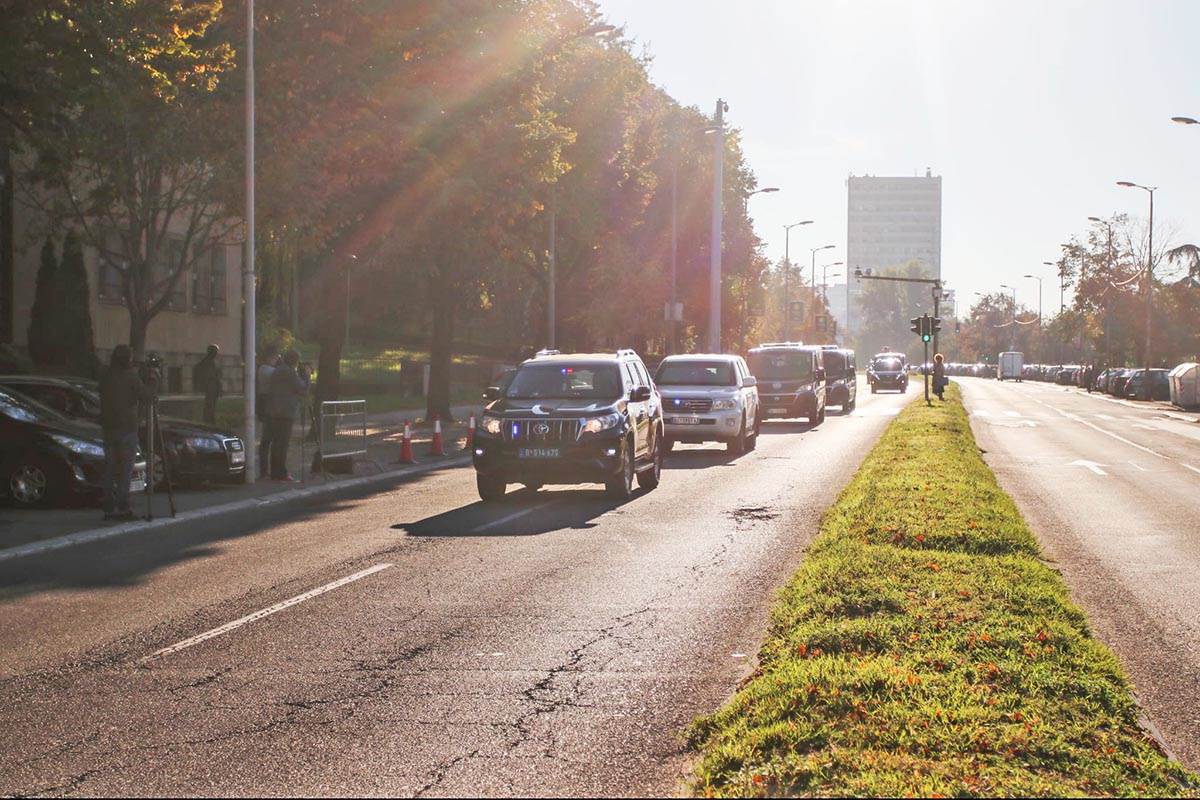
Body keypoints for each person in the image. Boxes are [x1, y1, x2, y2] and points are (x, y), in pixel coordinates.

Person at [98, 345, 156, 520]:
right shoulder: (131, 377)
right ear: (128, 359)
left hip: (108, 428)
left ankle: (108, 507)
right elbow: (147, 395)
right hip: (126, 429)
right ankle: (123, 507)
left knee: (109, 469)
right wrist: (154, 379)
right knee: (125, 470)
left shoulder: (106, 375)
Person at [267, 349, 311, 481]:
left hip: (274, 410)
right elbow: (302, 389)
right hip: (286, 412)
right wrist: (307, 376)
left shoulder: (277, 371)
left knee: (276, 443)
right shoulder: (290, 372)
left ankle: (274, 470)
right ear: (295, 360)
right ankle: (280, 473)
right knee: (283, 443)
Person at [257, 344, 280, 478]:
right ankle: (266, 469)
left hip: (264, 404)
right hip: (270, 406)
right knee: (269, 440)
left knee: (266, 440)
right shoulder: (269, 371)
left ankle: (264, 469)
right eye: (276, 357)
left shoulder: (262, 369)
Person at [193, 344, 222, 424]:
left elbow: (217, 376)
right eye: (215, 352)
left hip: (213, 387)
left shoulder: (214, 363)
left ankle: (211, 419)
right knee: (208, 406)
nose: (216, 354)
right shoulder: (205, 363)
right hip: (209, 386)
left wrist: (219, 387)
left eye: (216, 352)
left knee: (212, 406)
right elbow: (201, 373)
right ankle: (208, 420)